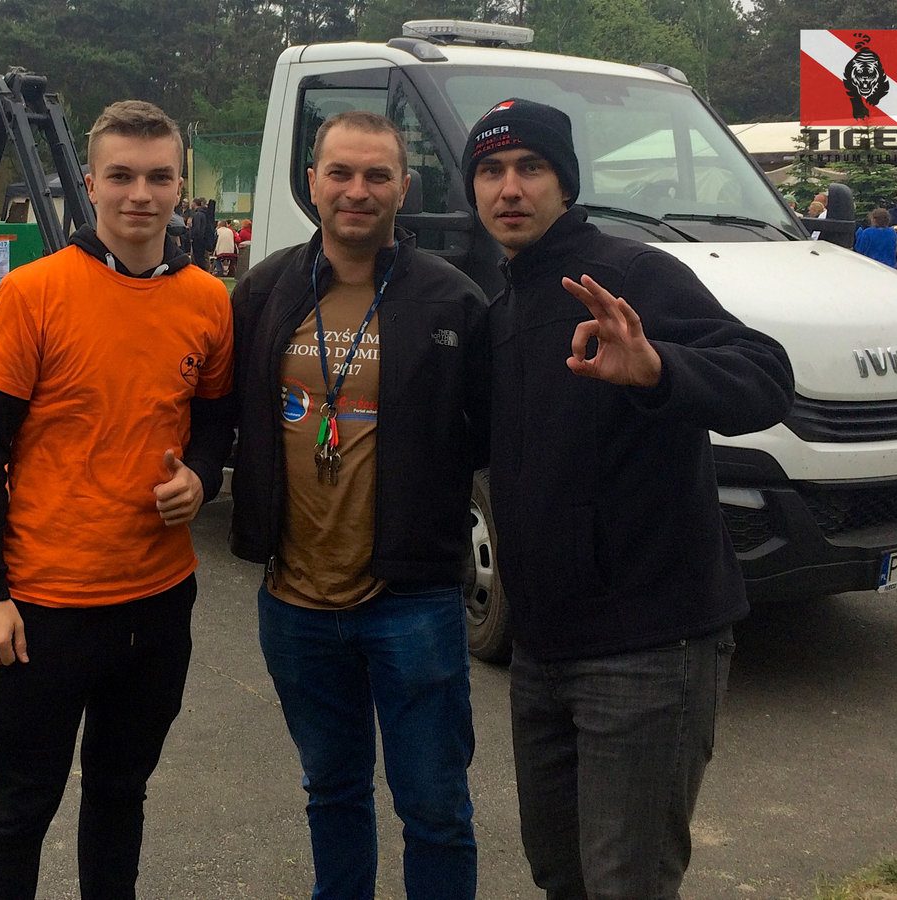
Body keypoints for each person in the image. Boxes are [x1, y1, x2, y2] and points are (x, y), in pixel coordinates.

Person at [461, 98, 794, 900]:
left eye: (531, 167)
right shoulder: (501, 314)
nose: (510, 188)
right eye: (491, 171)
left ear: (566, 184)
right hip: (542, 653)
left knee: (628, 882)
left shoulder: (634, 276)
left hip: (649, 649)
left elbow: (765, 376)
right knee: (560, 874)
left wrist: (658, 369)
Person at [0, 99, 234, 900]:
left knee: (120, 793)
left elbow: (215, 421)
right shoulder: (34, 293)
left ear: (181, 185)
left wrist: (201, 478)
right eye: (121, 176)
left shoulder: (207, 300)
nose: (141, 194)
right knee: (20, 807)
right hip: (47, 609)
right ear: (92, 182)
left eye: (159, 177)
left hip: (159, 603)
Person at [218, 109, 488, 899]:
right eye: (340, 172)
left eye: (377, 175)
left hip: (412, 602)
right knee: (331, 792)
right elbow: (213, 409)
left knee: (435, 810)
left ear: (405, 188)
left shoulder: (451, 300)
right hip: (294, 603)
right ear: (313, 183)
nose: (357, 191)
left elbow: (493, 435)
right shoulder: (265, 289)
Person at [189, 196, 215, 270]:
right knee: (203, 258)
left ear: (194, 203)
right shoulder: (204, 213)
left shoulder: (198, 214)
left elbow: (197, 229)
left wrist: (193, 237)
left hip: (198, 241)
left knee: (198, 259)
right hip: (204, 241)